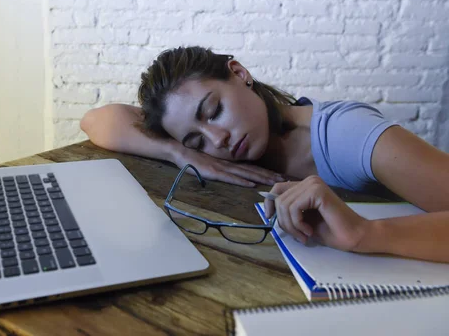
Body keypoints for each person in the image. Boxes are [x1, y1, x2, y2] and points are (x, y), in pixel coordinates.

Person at [80, 46, 449, 263]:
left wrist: (366, 233)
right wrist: (179, 153)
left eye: (213, 111)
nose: (218, 140)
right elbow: (98, 119)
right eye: (197, 139)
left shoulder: (349, 134)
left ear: (239, 73)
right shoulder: (220, 145)